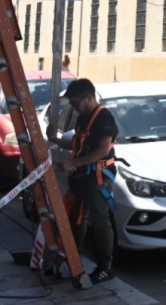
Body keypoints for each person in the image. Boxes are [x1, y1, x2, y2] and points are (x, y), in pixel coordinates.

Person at [47, 78, 118, 284]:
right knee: (77, 218)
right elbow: (78, 143)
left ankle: (106, 267)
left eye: (76, 103)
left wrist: (74, 163)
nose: (74, 107)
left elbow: (103, 149)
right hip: (82, 178)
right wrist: (56, 140)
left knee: (100, 221)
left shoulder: (103, 118)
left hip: (98, 178)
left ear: (89, 98)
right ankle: (74, 259)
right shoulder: (83, 118)